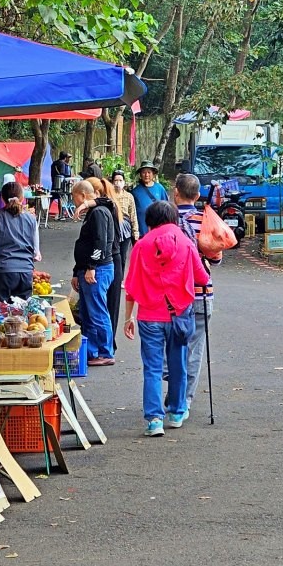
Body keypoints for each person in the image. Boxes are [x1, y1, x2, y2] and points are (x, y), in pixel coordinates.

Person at [122, 201, 211, 436]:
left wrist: (127, 318)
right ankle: (177, 412)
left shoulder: (141, 246)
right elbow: (202, 279)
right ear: (173, 219)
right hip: (179, 314)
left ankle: (154, 420)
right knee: (178, 363)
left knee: (151, 368)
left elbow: (131, 286)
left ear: (150, 221)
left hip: (149, 315)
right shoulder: (186, 242)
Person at [174, 173, 215, 415]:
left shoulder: (163, 220)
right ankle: (184, 401)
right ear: (197, 196)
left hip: (172, 296)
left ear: (175, 192)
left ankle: (174, 390)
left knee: (172, 346)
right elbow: (216, 257)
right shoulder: (205, 220)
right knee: (194, 350)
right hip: (201, 293)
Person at [71, 179, 117, 365]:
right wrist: (77, 271)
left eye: (74, 198)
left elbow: (100, 242)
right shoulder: (93, 211)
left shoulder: (99, 212)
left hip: (98, 269)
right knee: (88, 312)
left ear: (82, 196)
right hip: (87, 269)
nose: (74, 202)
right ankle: (92, 351)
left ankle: (105, 352)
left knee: (97, 312)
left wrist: (91, 267)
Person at [0, 181, 41, 309]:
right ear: (22, 198)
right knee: (22, 316)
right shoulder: (31, 219)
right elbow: (36, 253)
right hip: (25, 273)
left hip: (2, 272)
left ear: (2, 198)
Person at [108, 169, 139, 353]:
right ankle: (114, 275)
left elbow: (133, 216)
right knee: (113, 254)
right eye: (116, 180)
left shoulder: (129, 197)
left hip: (125, 227)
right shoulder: (110, 196)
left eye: (120, 180)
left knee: (122, 253)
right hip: (113, 226)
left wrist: (135, 233)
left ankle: (119, 278)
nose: (118, 183)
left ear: (124, 182)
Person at [130, 162, 168, 230]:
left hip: (158, 229)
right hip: (142, 229)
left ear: (153, 174)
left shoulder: (160, 188)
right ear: (140, 175)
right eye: (144, 172)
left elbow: (166, 208)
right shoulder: (135, 192)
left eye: (149, 172)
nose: (146, 175)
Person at [52, 151, 75, 219]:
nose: (69, 159)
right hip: (61, 184)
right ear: (65, 158)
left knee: (54, 198)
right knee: (61, 198)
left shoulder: (54, 163)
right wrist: (69, 177)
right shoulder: (62, 164)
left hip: (54, 183)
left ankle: (59, 213)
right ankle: (61, 214)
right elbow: (62, 173)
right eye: (68, 157)